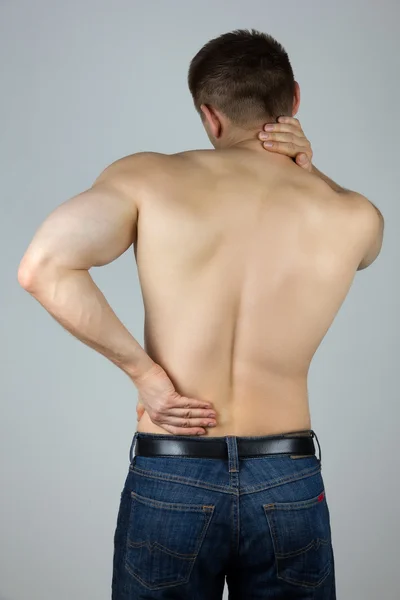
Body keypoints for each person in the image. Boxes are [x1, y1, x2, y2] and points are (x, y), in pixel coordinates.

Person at [18, 28, 384, 600]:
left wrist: (146, 376)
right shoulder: (350, 214)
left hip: (175, 469)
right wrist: (310, 169)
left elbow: (41, 267)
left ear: (211, 117)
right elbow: (370, 247)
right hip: (287, 478)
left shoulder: (148, 177)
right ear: (294, 100)